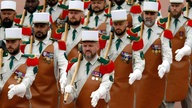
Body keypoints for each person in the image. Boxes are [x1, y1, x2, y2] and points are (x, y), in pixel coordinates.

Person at [128, 1, 172, 108]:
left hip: (155, 80)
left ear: (157, 14)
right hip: (138, 81)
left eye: (152, 14)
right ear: (142, 14)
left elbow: (167, 54)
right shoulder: (135, 33)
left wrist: (165, 65)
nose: (149, 16)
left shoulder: (163, 33)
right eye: (147, 13)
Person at [99, 9, 145, 108]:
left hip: (126, 87)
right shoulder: (107, 42)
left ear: (126, 23)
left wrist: (137, 71)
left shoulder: (133, 42)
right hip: (108, 87)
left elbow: (139, 61)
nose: (118, 27)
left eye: (121, 24)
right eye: (116, 24)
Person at [24, 12, 68, 108]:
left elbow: (64, 65)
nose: (39, 29)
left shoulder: (56, 45)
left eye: (42, 26)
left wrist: (64, 77)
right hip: (31, 94)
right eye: (37, 26)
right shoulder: (26, 46)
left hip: (50, 95)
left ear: (48, 27)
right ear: (33, 27)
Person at [64, 30, 114, 108]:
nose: (87, 48)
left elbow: (107, 84)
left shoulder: (105, 65)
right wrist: (68, 93)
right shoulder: (74, 66)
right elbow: (69, 100)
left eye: (90, 46)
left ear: (97, 46)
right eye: (85, 46)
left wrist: (99, 93)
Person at [158, 0, 192, 108]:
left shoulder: (188, 23)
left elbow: (190, 41)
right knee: (166, 97)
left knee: (187, 96)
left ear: (182, 6)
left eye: (177, 6)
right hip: (168, 66)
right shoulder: (163, 23)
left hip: (183, 67)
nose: (174, 8)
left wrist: (184, 50)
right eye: (172, 6)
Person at [0, 28, 38, 108]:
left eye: (13, 42)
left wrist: (21, 87)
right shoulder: (1, 59)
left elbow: (29, 79)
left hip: (21, 103)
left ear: (20, 42)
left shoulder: (29, 60)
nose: (10, 45)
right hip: (3, 103)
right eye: (7, 42)